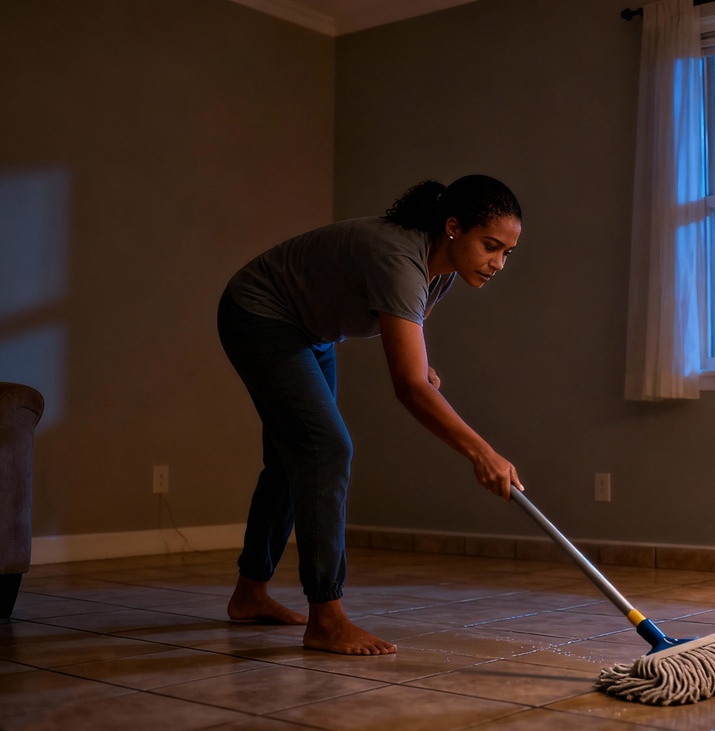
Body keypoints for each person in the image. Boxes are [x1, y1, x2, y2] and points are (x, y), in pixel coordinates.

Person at [216, 174, 524, 655]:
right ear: (452, 228)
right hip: (260, 314)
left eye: (507, 252)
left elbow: (405, 332)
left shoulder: (439, 271)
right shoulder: (399, 258)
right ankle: (327, 617)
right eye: (491, 246)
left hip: (310, 333)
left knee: (293, 458)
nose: (498, 262)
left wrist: (421, 368)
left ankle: (249, 595)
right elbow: (408, 387)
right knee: (325, 449)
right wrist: (482, 453)